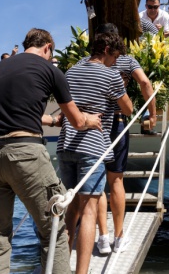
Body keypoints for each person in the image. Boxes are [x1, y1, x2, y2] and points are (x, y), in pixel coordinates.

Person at [0, 28, 103, 274]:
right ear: (47, 47)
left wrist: (49, 121)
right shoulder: (50, 70)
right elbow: (77, 122)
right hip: (26, 155)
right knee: (55, 231)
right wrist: (91, 120)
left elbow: (16, 110)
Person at [75, 23, 157, 255]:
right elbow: (145, 83)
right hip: (118, 121)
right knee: (116, 180)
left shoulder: (84, 63)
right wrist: (152, 114)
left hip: (94, 125)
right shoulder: (128, 60)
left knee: (97, 182)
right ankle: (120, 238)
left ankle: (102, 237)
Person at [57, 32, 133, 274]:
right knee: (89, 211)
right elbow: (128, 108)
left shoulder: (70, 72)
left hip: (66, 145)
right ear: (108, 50)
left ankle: (61, 267)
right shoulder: (111, 75)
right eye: (115, 57)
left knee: (71, 210)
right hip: (92, 146)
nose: (115, 62)